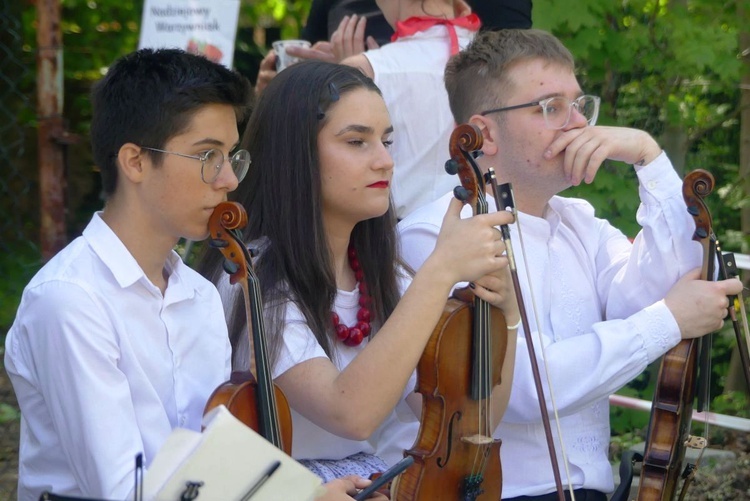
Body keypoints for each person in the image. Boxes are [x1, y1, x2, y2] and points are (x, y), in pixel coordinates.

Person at [4, 48, 381, 501]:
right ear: (135, 161)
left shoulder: (200, 294)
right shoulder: (70, 300)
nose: (228, 180)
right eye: (207, 156)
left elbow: (213, 461)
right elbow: (125, 491)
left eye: (231, 156)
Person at [397, 29, 744, 500]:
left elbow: (683, 272)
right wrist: (669, 320)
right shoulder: (437, 237)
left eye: (579, 104)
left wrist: (648, 156)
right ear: (486, 132)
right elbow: (517, 388)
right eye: (551, 107)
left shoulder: (579, 221)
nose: (578, 123)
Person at [197, 60, 519, 484]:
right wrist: (439, 272)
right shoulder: (252, 276)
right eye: (356, 142)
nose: (385, 161)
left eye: (386, 141)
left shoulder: (384, 275)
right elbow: (349, 413)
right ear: (296, 153)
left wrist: (508, 315)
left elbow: (472, 428)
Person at [340, 0, 479, 218]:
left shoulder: (369, 69)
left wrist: (345, 79)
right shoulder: (502, 63)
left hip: (389, 240)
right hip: (485, 232)